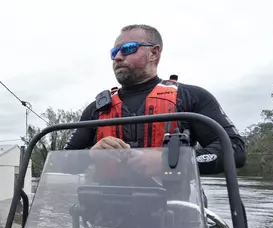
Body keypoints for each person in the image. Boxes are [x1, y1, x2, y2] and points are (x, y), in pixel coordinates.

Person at [65, 24, 246, 179]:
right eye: (114, 52)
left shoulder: (192, 97)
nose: (118, 57)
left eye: (128, 49)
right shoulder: (96, 109)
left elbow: (235, 151)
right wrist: (90, 155)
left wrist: (169, 161)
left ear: (154, 53)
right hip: (106, 214)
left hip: (175, 213)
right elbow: (63, 162)